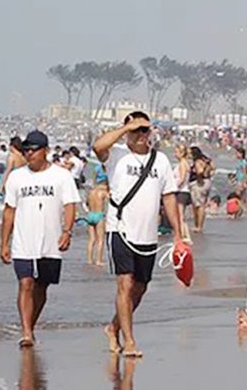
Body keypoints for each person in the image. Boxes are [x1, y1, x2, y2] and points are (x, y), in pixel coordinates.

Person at [93, 111, 183, 358]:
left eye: (145, 130)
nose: (141, 134)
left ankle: (114, 327)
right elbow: (98, 146)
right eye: (137, 130)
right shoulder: (117, 155)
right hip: (120, 229)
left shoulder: (160, 161)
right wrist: (127, 128)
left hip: (148, 235)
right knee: (125, 283)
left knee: (140, 288)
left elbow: (169, 197)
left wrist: (178, 232)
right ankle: (129, 341)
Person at [0, 130, 80, 348]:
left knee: (41, 287)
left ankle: (31, 325)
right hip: (23, 241)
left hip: (51, 242)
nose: (29, 153)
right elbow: (9, 211)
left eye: (34, 150)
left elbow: (70, 205)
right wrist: (4, 242)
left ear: (45, 150)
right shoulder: (17, 177)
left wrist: (67, 231)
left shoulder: (61, 176)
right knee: (25, 283)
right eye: (26, 150)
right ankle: (26, 332)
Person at [189, 146, 214, 233]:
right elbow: (213, 168)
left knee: (198, 205)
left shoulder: (197, 162)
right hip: (207, 182)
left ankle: (198, 226)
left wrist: (199, 175)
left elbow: (200, 171)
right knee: (201, 204)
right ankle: (199, 226)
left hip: (199, 183)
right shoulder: (206, 160)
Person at [173, 144, 193, 243]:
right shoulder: (186, 163)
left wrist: (173, 187)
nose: (174, 154)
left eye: (176, 152)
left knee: (180, 217)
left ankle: (183, 237)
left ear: (181, 153)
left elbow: (182, 178)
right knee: (181, 216)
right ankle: (185, 236)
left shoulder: (182, 164)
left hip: (181, 192)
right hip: (184, 191)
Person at [86, 182, 109, 266]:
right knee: (100, 240)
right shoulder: (103, 192)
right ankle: (98, 260)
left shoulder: (91, 193)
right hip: (99, 215)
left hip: (90, 215)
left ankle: (89, 259)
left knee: (91, 239)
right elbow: (112, 201)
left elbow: (87, 203)